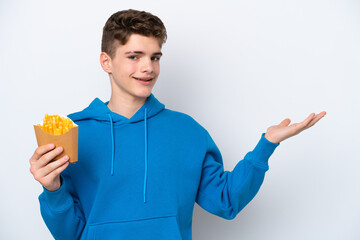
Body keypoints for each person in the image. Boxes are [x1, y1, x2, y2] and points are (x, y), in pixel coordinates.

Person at [29, 9, 326, 240]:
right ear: (106, 61)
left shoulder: (187, 131)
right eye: (134, 56)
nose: (148, 67)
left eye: (155, 57)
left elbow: (226, 202)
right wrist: (52, 188)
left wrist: (267, 145)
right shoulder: (71, 132)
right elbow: (69, 233)